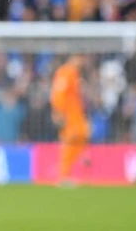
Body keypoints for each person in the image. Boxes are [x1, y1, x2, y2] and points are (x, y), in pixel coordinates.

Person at [50, 54, 89, 186]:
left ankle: (70, 167)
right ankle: (63, 175)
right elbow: (58, 93)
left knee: (82, 134)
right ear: (74, 58)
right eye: (81, 58)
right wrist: (59, 111)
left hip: (76, 114)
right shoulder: (65, 72)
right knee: (69, 141)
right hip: (68, 114)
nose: (83, 62)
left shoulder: (74, 73)